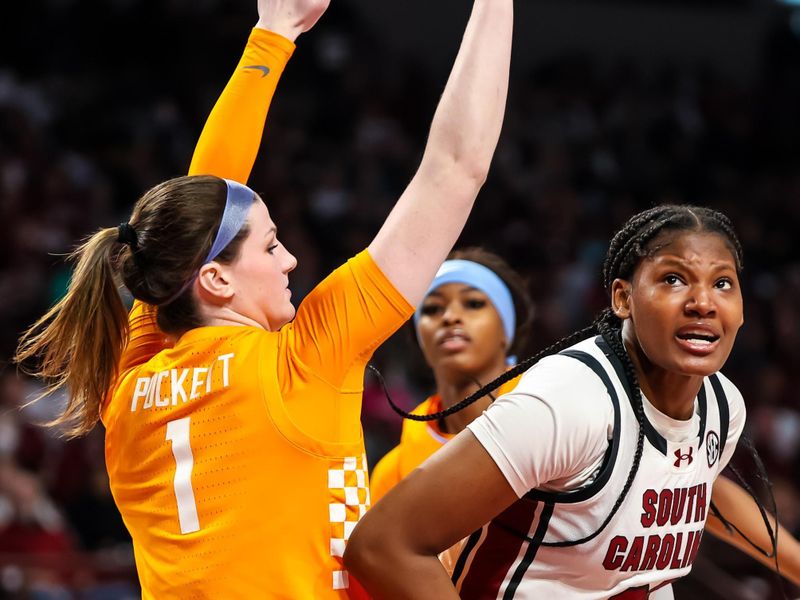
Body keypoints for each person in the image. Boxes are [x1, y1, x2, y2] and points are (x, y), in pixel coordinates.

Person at [13, 0, 515, 596]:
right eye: (272, 246)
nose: (291, 261)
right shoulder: (301, 361)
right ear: (217, 280)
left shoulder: (131, 379)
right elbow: (455, 169)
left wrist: (274, 34)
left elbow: (198, 211)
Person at [345, 205, 780, 599]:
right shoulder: (568, 402)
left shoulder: (724, 406)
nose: (702, 302)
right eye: (673, 279)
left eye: (722, 282)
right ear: (622, 298)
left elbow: (697, 495)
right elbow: (380, 546)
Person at [369, 247, 534, 503]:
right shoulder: (392, 473)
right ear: (419, 337)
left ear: (507, 329)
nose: (450, 317)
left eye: (473, 303)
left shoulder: (552, 417)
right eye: (433, 308)